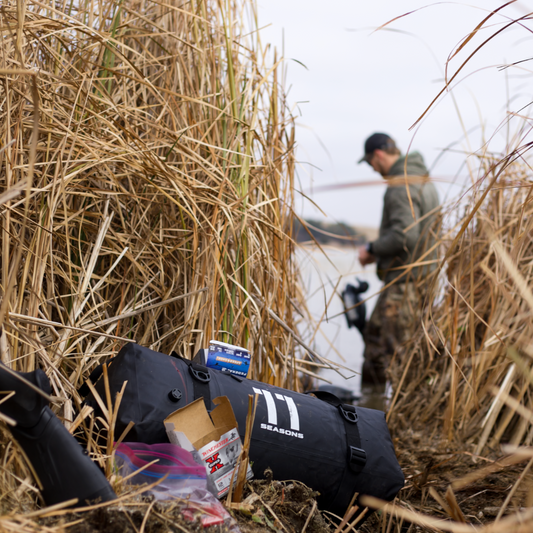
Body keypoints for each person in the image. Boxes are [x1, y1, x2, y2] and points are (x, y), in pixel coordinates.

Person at [357, 133, 440, 385]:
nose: (373, 169)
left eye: (370, 162)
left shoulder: (399, 184)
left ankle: (374, 415)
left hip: (404, 286)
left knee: (387, 355)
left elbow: (405, 237)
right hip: (421, 281)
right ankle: (377, 408)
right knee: (386, 345)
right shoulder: (422, 179)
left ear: (379, 155)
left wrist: (372, 248)